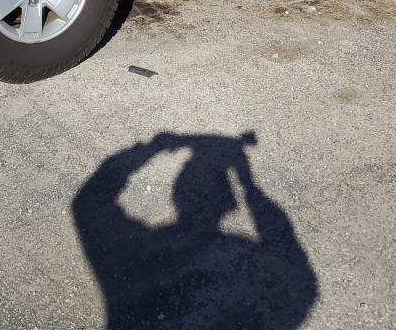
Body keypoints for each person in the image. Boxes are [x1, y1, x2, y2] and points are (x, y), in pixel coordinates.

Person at [73, 131, 318, 329]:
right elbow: (286, 252)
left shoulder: (138, 255)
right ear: (230, 204)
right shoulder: (244, 260)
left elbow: (88, 202)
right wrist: (248, 184)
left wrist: (152, 147)